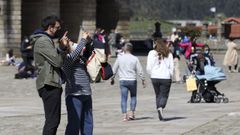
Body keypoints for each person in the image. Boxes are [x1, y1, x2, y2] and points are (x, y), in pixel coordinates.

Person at [32, 15, 67, 135]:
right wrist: (63, 49)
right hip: (48, 83)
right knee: (52, 121)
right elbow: (57, 61)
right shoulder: (43, 41)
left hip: (52, 82)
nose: (59, 29)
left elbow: (53, 56)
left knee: (54, 120)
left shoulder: (47, 40)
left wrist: (61, 47)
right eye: (57, 27)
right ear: (50, 27)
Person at [61, 32, 94, 135]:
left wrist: (88, 41)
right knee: (74, 124)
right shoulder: (67, 60)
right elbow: (74, 55)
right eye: (72, 44)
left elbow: (89, 51)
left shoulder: (82, 60)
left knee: (88, 123)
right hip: (74, 95)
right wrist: (82, 40)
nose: (75, 45)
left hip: (86, 94)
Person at [111, 42, 145, 122]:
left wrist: (112, 78)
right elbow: (140, 70)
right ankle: (132, 113)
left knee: (123, 98)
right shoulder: (135, 58)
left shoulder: (119, 58)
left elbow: (114, 69)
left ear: (125, 49)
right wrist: (143, 79)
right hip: (132, 80)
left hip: (123, 80)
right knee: (133, 96)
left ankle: (124, 116)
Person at [146, 39, 174, 121]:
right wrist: (170, 75)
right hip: (165, 77)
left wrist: (151, 74)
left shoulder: (151, 53)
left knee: (158, 94)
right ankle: (160, 107)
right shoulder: (169, 53)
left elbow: (149, 67)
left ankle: (159, 108)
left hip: (155, 76)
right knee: (164, 95)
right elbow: (171, 67)